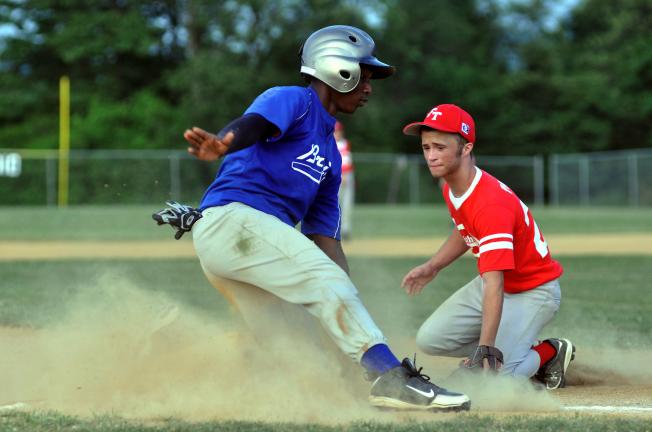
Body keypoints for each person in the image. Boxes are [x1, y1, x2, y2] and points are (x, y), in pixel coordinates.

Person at [172, 26, 470, 411]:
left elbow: (327, 243)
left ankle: (188, 363)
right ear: (337, 69)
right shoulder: (294, 100)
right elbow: (254, 125)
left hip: (246, 243)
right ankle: (393, 380)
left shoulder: (330, 156)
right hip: (235, 222)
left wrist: (346, 304)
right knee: (325, 284)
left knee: (296, 346)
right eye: (364, 75)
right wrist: (223, 143)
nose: (368, 88)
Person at [400, 104, 575, 389]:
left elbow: (495, 281)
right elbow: (465, 231)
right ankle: (511, 347)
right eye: (426, 147)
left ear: (466, 148)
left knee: (494, 382)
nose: (431, 156)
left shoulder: (490, 203)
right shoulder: (452, 185)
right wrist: (434, 266)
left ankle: (550, 352)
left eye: (440, 147)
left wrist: (485, 349)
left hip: (534, 291)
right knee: (430, 338)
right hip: (497, 284)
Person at [334, 121, 355, 239]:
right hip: (334, 176)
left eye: (338, 131)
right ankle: (335, 228)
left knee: (347, 203)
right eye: (335, 131)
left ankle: (346, 229)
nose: (337, 133)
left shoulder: (344, 143)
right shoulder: (329, 143)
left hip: (346, 175)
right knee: (335, 203)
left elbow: (346, 160)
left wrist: (345, 175)